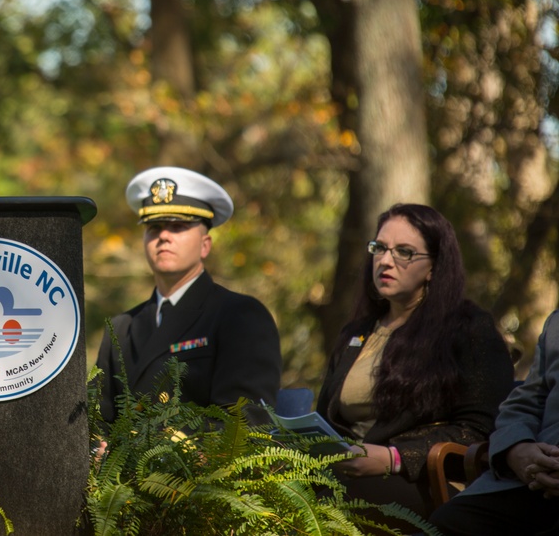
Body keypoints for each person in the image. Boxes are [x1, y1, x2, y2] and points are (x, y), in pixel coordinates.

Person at [316, 203, 513, 519]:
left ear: (434, 266)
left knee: (328, 494)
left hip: (426, 481)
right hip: (345, 469)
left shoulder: (468, 328)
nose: (385, 260)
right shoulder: (357, 332)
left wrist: (394, 458)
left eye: (404, 252)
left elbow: (483, 428)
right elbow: (326, 416)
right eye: (379, 248)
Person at [94, 166, 282, 423]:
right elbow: (99, 422)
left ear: (205, 245)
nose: (163, 236)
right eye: (154, 227)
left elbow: (244, 421)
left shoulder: (239, 316)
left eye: (178, 226)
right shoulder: (121, 328)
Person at [429, 309, 559, 535]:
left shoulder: (471, 327)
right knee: (446, 523)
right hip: (530, 481)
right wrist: (517, 449)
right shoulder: (556, 323)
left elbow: (472, 424)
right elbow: (523, 403)